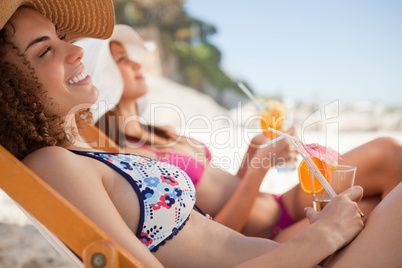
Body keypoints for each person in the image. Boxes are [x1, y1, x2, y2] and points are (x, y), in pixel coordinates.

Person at [1, 3, 401, 267]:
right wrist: (318, 240)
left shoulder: (87, 154)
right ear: (7, 90)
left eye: (60, 38)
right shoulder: (52, 163)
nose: (76, 51)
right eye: (43, 51)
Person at [75, 25, 402, 241]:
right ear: (101, 75)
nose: (136, 64)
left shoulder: (160, 132)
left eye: (133, 57)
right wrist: (261, 167)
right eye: (120, 59)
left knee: (387, 153)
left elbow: (221, 189)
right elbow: (215, 231)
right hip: (262, 237)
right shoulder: (132, 156)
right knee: (377, 210)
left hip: (279, 203)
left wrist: (254, 154)